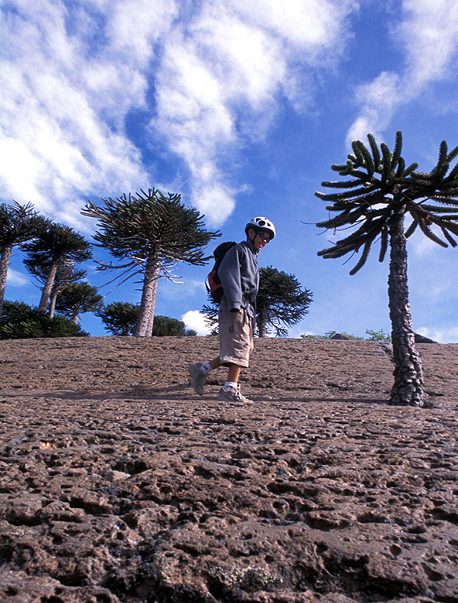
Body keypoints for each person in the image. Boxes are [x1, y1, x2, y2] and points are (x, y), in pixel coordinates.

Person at [188, 217, 276, 403]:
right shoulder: (239, 250)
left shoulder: (252, 257)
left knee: (242, 347)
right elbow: (228, 273)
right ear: (251, 233)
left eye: (268, 238)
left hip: (246, 309)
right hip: (235, 305)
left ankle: (201, 370)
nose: (265, 241)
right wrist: (236, 303)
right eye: (262, 235)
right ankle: (229, 389)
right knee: (239, 346)